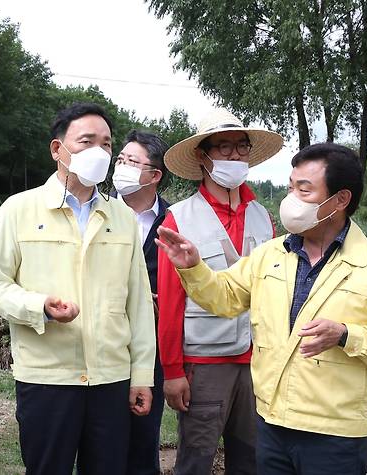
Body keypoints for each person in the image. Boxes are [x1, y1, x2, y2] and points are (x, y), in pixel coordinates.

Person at [156, 142, 367, 475]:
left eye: (304, 189)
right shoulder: (271, 255)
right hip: (272, 424)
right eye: (290, 187)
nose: (291, 199)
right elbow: (225, 298)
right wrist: (194, 268)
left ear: (340, 200)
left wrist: (347, 335)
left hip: (335, 434)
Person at [0, 103, 156, 475]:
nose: (99, 152)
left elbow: (138, 304)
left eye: (106, 144)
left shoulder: (121, 217)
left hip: (110, 378)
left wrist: (141, 375)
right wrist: (40, 305)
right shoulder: (19, 210)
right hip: (47, 378)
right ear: (57, 149)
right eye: (87, 141)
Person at [157, 108, 283, 474]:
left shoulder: (263, 216)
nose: (234, 155)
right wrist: (173, 370)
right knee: (195, 460)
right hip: (204, 363)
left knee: (251, 460)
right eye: (223, 146)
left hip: (255, 363)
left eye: (241, 147)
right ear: (203, 155)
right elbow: (170, 302)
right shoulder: (179, 218)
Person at [111, 130, 169, 475]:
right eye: (120, 159)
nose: (122, 167)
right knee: (102, 437)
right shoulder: (97, 214)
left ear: (154, 175)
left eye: (132, 162)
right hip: (106, 343)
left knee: (144, 434)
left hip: (153, 346)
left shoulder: (174, 222)